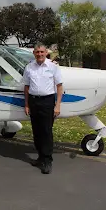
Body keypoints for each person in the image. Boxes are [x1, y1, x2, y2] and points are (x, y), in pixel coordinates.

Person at [23, 43, 63, 174]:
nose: (39, 54)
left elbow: (59, 87)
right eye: (37, 52)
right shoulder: (29, 67)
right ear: (34, 53)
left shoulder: (53, 67)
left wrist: (57, 105)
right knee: (36, 131)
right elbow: (27, 87)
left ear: (46, 53)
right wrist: (27, 104)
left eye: (42, 52)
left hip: (47, 101)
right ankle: (40, 157)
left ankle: (47, 161)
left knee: (46, 131)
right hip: (34, 101)